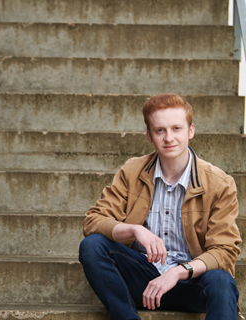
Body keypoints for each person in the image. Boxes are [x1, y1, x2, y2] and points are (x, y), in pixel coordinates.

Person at [79, 93, 242, 320]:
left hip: (192, 283)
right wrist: (135, 230)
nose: (169, 138)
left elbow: (225, 251)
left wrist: (178, 272)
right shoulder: (132, 171)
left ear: (190, 131)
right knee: (92, 246)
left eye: (177, 128)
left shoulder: (220, 183)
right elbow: (93, 221)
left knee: (222, 280)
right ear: (149, 135)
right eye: (160, 130)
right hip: (144, 282)